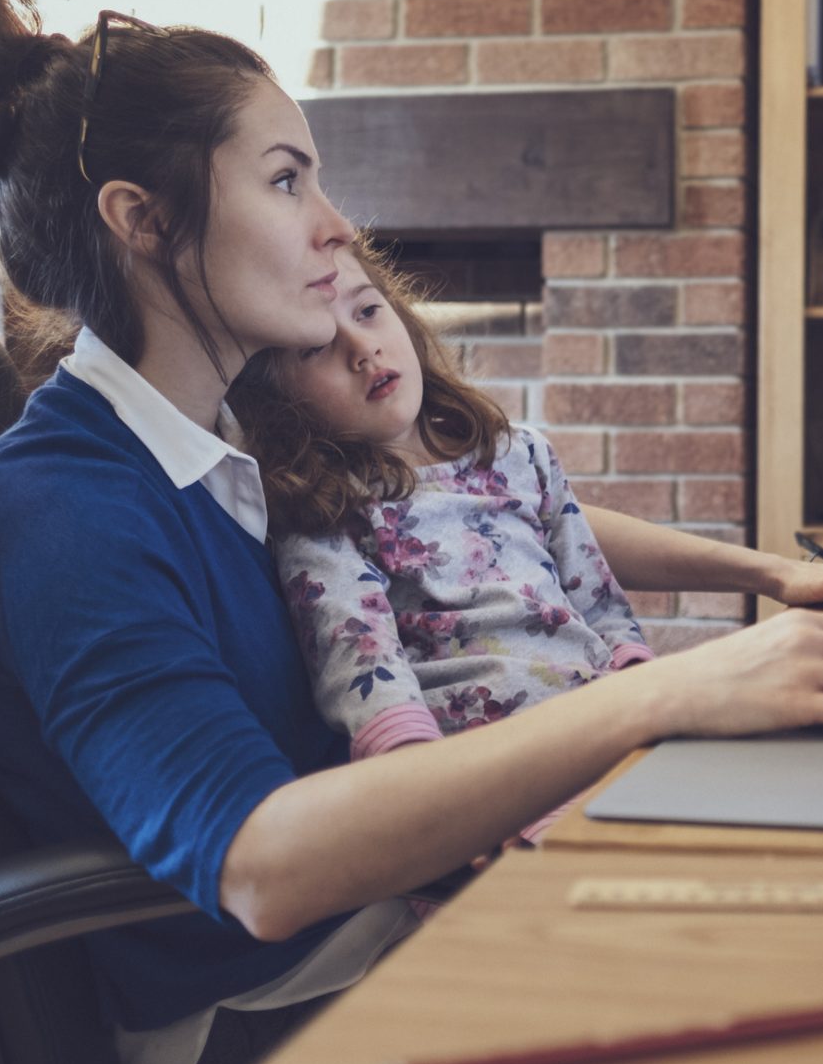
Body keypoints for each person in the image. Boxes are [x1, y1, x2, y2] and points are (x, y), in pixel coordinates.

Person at [0, 0, 823, 1064]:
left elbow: (464, 511)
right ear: (141, 219)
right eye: (284, 178)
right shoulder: (66, 511)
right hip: (275, 1013)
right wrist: (665, 694)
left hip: (399, 907)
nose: (335, 225)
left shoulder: (209, 442)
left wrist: (767, 575)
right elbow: (262, 868)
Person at [224, 244, 652, 849]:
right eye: (317, 347)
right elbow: (365, 671)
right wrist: (436, 815)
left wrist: (640, 692)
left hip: (605, 727)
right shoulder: (327, 510)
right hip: (486, 772)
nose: (362, 349)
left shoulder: (522, 453)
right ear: (278, 401)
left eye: (369, 311)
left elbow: (599, 598)